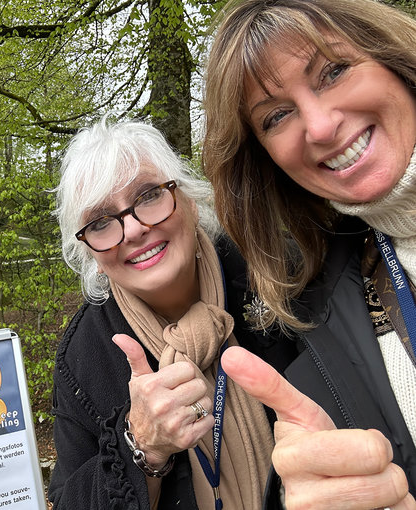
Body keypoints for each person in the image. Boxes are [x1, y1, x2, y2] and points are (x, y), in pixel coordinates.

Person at [203, 0, 416, 508]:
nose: (319, 127)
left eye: (333, 72)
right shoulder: (315, 315)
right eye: (277, 116)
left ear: (393, 60)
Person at [49, 117, 297, 509]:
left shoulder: (278, 272)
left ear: (190, 202)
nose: (131, 230)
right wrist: (141, 445)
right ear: (92, 255)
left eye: (148, 196)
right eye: (100, 222)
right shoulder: (85, 356)